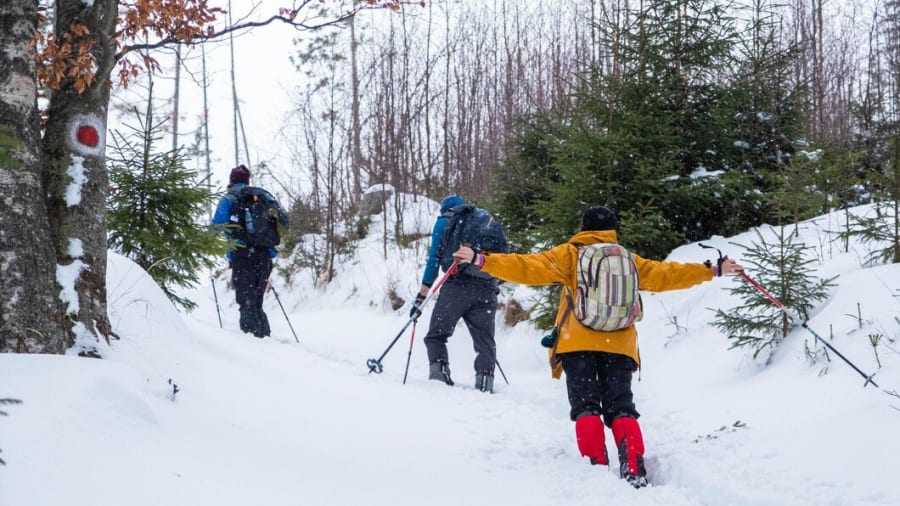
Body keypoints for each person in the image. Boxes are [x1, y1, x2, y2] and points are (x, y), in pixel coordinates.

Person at [453, 205, 743, 487]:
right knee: (621, 407)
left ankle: (596, 470)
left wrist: (482, 260)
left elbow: (527, 267)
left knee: (586, 406)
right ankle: (634, 469)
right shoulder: (629, 259)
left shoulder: (570, 255)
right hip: (619, 343)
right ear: (613, 230)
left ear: (583, 229)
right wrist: (713, 269)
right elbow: (668, 274)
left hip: (577, 343)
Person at [411, 195, 500, 393]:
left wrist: (421, 297)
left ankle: (439, 380)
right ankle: (485, 382)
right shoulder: (484, 220)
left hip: (457, 286)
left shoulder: (444, 222)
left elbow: (434, 260)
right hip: (487, 286)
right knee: (485, 341)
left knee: (436, 335)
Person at [211, 164, 289, 338]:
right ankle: (264, 339)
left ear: (231, 181)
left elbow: (215, 227)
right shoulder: (261, 197)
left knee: (247, 302)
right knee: (256, 301)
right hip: (264, 255)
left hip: (242, 254)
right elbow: (281, 223)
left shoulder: (229, 198)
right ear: (247, 180)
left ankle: (252, 345)